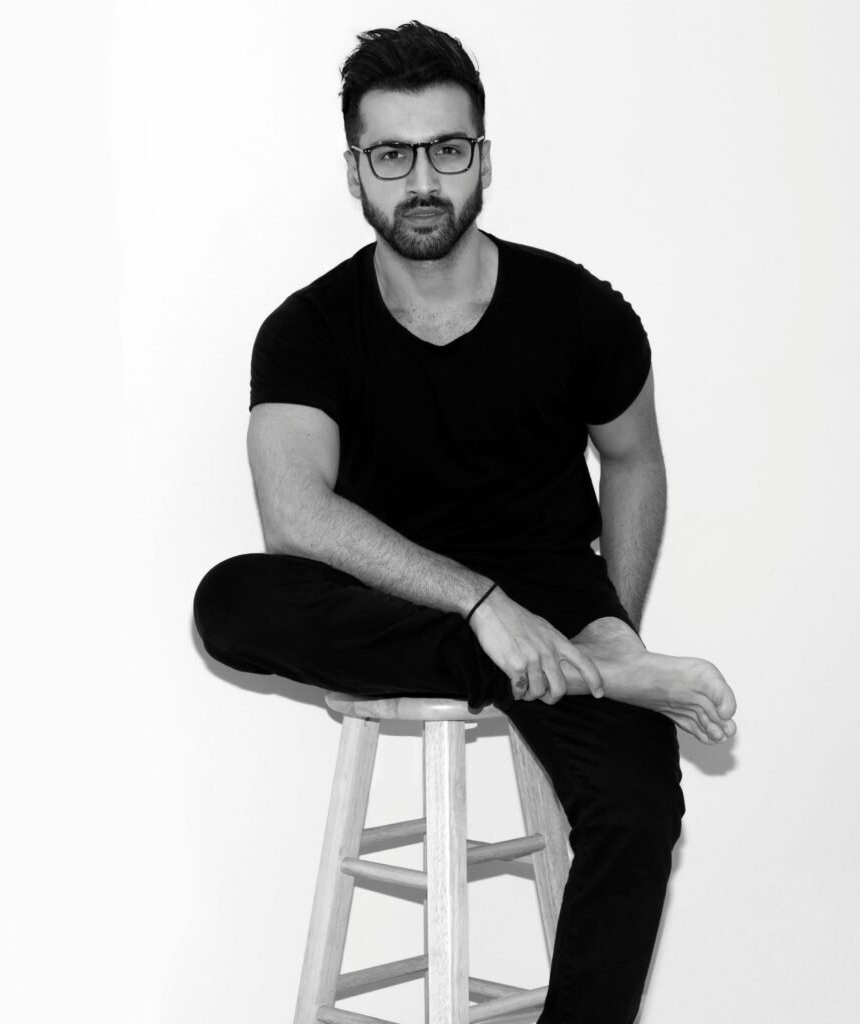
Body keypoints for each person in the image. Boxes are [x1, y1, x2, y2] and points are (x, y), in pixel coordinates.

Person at [193, 20, 737, 1024]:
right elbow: (295, 511)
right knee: (229, 600)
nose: (422, 180)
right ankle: (595, 671)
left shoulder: (579, 310)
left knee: (637, 806)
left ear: (482, 156)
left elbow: (633, 457)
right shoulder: (308, 331)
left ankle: (589, 658)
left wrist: (607, 614)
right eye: (391, 156)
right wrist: (485, 608)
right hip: (394, 588)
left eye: (447, 149)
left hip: (552, 587)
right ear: (355, 171)